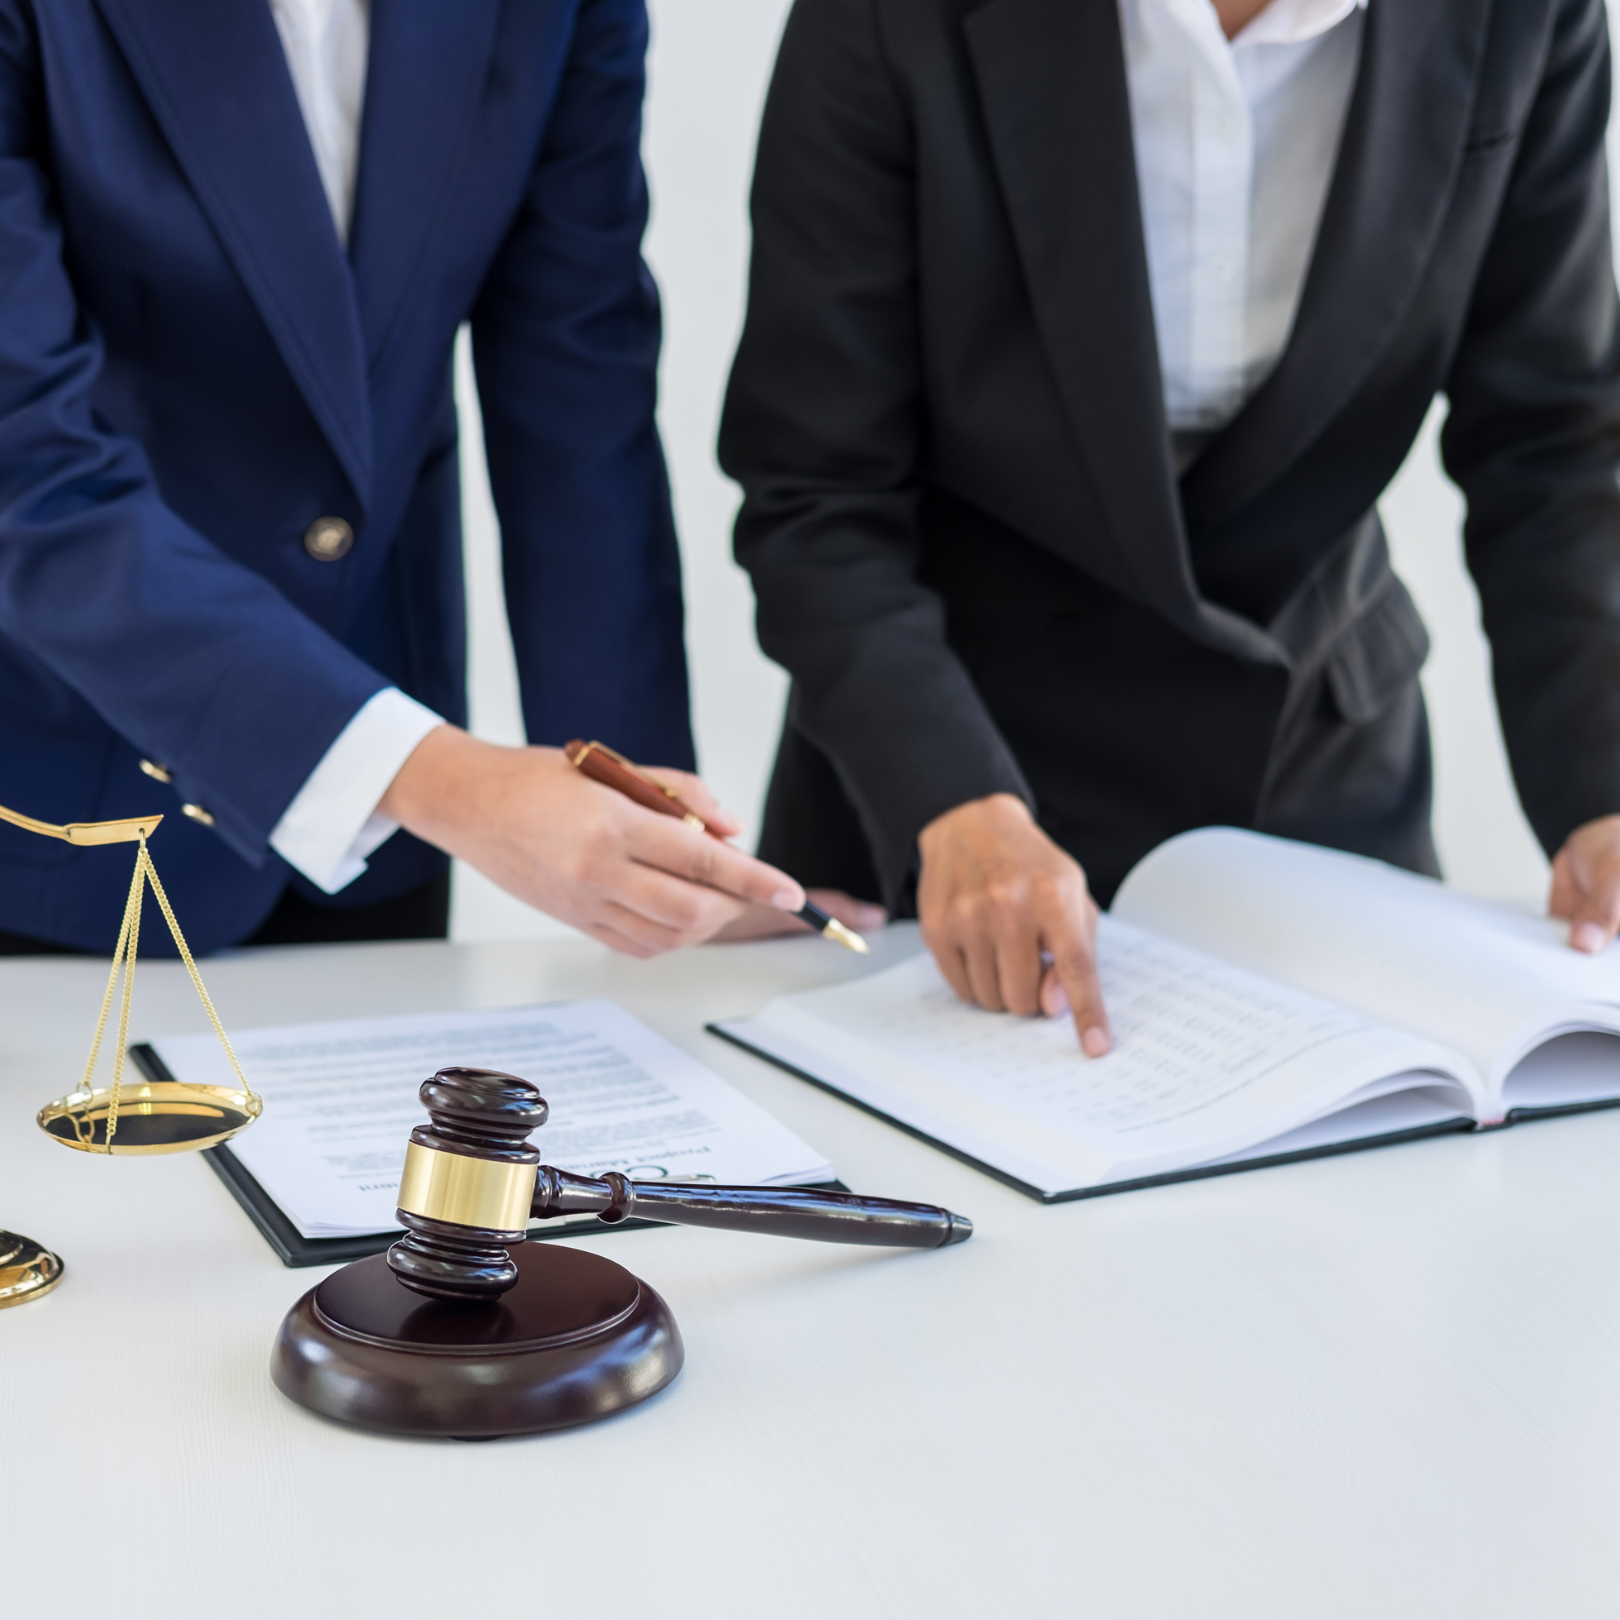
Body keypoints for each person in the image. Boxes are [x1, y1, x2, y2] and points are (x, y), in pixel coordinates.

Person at [720, 0, 1620, 1053]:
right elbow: (817, 487)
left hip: (1315, 781)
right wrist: (950, 794)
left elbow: (1551, 446)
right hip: (952, 788)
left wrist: (1602, 788)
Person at [0, 0, 843, 958]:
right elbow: (27, 474)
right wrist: (444, 780)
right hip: (61, 810)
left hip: (382, 832)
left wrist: (664, 849)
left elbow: (577, 392)